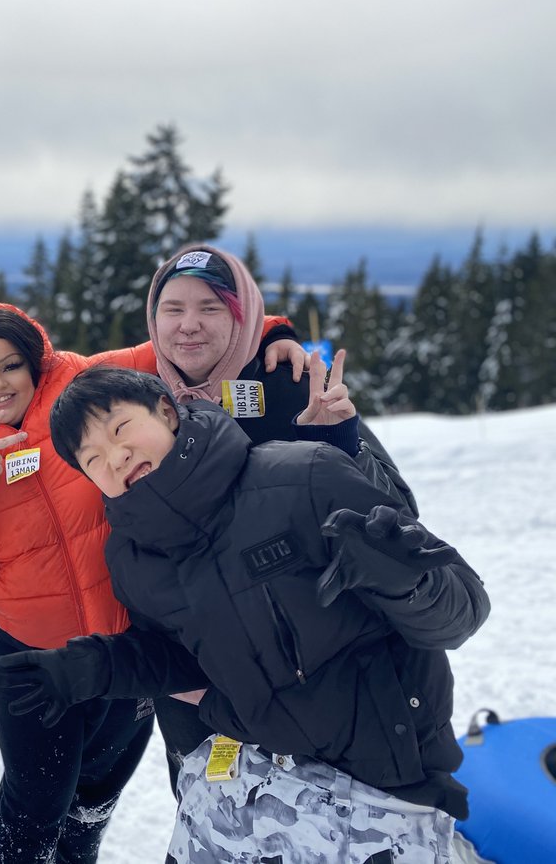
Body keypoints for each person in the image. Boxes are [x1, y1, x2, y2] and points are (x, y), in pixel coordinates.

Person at [3, 365, 490, 863]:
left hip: (386, 785)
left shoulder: (305, 476)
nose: (116, 455)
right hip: (263, 786)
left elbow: (462, 615)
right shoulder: (131, 557)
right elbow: (186, 660)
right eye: (93, 458)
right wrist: (100, 666)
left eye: (120, 428)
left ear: (167, 412)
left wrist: (405, 581)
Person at [0, 303, 303, 863]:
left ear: (36, 362)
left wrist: (272, 332)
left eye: (11, 365)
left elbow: (177, 342)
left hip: (124, 637)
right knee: (35, 799)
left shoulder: (81, 380)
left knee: (97, 791)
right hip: (28, 644)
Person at [141, 242, 419, 793]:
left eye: (211, 308)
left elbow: (399, 516)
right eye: (173, 309)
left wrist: (338, 443)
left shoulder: (291, 384)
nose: (188, 326)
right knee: (208, 812)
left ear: (241, 316)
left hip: (307, 665)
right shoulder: (144, 400)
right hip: (195, 672)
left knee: (311, 819)